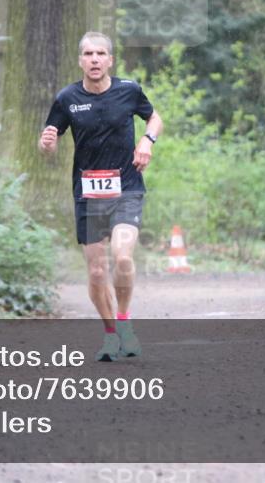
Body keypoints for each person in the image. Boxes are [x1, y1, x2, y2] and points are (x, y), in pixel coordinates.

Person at [38, 31, 163, 361]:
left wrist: (147, 142)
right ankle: (110, 336)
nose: (94, 59)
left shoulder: (129, 91)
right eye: (88, 54)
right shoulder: (67, 98)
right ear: (80, 60)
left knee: (122, 256)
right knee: (96, 272)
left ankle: (124, 323)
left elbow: (154, 117)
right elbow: (48, 142)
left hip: (127, 187)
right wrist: (47, 144)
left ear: (110, 60)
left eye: (100, 54)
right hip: (89, 193)